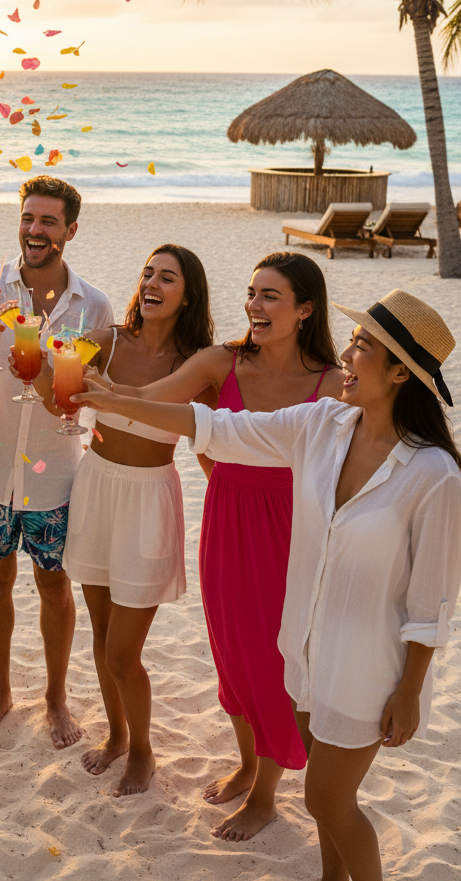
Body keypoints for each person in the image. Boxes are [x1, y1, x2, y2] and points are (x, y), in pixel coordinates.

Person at [73, 289, 461, 881]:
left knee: (326, 802)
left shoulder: (434, 475)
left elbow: (431, 600)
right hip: (303, 653)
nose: (347, 354)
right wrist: (115, 400)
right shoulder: (323, 424)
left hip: (370, 669)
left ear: (401, 372)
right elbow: (215, 426)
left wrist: (410, 689)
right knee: (323, 801)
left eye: (362, 346)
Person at [91, 251, 343, 838]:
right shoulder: (221, 360)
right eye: (252, 293)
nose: (254, 305)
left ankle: (265, 795)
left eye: (270, 296)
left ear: (305, 310)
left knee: (273, 660)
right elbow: (158, 398)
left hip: (290, 529)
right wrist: (102, 393)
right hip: (227, 519)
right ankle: (250, 762)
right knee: (232, 654)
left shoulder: (331, 382)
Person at [0, 175, 113, 747]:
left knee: (54, 588)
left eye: (48, 222)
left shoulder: (95, 306)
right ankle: (1, 691)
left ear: (71, 230)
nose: (35, 231)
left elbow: (92, 391)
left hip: (57, 475)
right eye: (28, 219)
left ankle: (56, 697)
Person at [30, 244, 214, 796]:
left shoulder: (198, 364)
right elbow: (56, 398)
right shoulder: (109, 340)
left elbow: (212, 442)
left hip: (148, 501)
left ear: (189, 294)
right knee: (102, 630)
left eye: (169, 277)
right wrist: (35, 364)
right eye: (147, 273)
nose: (153, 284)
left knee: (122, 652)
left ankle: (143, 749)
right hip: (97, 487)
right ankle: (115, 735)